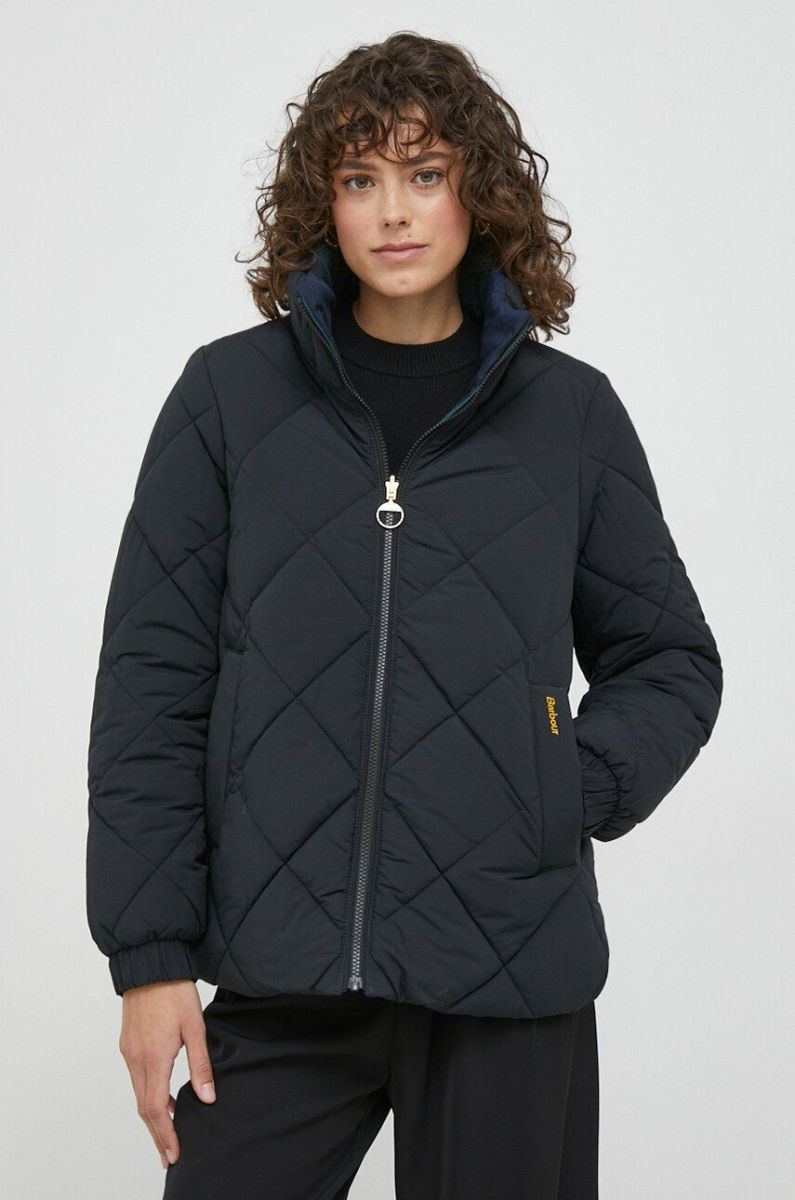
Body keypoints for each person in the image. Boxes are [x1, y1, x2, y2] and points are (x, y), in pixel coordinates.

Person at [85, 30, 723, 1200]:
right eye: (359, 177)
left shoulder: (569, 417)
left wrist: (559, 788)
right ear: (320, 204)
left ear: (479, 193)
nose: (393, 211)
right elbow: (152, 689)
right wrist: (151, 956)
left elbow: (670, 658)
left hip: (508, 966)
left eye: (425, 174)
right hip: (280, 962)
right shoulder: (230, 399)